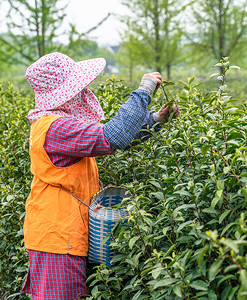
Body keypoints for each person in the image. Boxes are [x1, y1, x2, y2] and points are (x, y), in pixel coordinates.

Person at [21, 52, 179, 300]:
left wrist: (156, 119)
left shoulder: (60, 123)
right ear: (65, 94)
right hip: (57, 235)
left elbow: (117, 137)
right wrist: (144, 91)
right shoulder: (56, 127)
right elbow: (113, 136)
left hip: (68, 232)